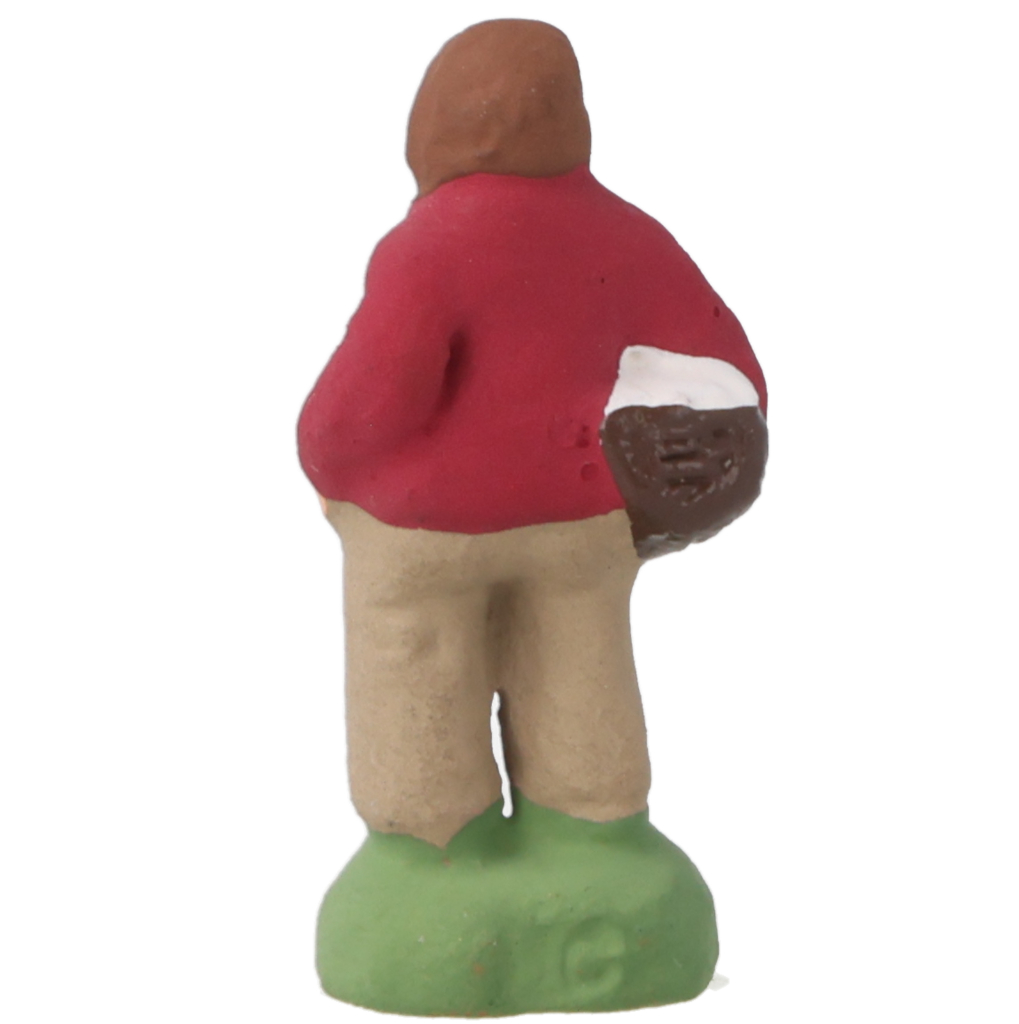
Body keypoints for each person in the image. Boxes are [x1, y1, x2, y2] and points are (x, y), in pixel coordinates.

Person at [298, 18, 767, 1014]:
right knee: (581, 657)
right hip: (582, 518)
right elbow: (729, 366)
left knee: (414, 664)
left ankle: (433, 848)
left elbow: (367, 403)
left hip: (426, 530)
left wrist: (328, 467)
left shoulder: (432, 242)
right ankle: (595, 824)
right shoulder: (631, 235)